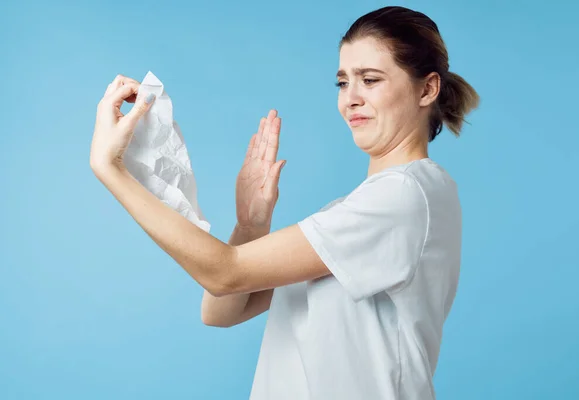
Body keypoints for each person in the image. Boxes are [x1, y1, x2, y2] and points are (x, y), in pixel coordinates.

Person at [89, 5, 479, 400]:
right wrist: (250, 226)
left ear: (427, 89)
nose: (351, 99)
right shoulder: (353, 210)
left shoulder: (404, 195)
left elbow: (225, 274)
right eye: (343, 82)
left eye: (370, 79)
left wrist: (112, 170)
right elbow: (221, 311)